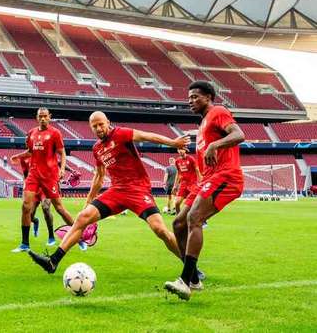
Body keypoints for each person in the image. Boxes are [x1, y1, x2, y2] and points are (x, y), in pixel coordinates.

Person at [28, 111, 190, 274]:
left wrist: (173, 143)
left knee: (160, 230)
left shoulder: (121, 133)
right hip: (117, 192)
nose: (98, 128)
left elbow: (146, 136)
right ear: (91, 128)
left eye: (101, 124)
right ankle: (53, 261)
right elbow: (99, 176)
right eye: (95, 126)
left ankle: (190, 267)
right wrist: (88, 202)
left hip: (138, 191)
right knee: (82, 218)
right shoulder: (97, 148)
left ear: (108, 122)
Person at [165, 81, 245, 300]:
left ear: (209, 97)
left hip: (226, 176)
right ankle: (194, 279)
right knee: (178, 223)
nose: (190, 101)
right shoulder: (202, 125)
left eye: (195, 97)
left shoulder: (218, 112)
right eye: (189, 97)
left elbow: (239, 135)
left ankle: (185, 280)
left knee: (194, 218)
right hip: (209, 179)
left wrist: (214, 145)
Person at [9, 108, 75, 253]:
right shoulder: (31, 133)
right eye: (40, 116)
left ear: (49, 117)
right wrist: (18, 156)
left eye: (45, 116)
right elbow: (30, 152)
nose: (43, 119)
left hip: (49, 176)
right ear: (37, 117)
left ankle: (80, 236)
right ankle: (25, 244)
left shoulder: (55, 133)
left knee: (59, 208)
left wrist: (62, 169)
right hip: (33, 175)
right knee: (26, 206)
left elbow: (62, 153)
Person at [11, 151, 57, 246]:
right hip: (33, 189)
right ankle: (35, 221)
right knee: (29, 215)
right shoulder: (24, 158)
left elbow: (57, 162)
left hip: (45, 186)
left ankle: (51, 236)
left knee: (46, 208)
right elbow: (26, 174)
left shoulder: (43, 152)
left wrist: (69, 170)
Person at [174, 148, 202, 214]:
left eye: (182, 149)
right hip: (183, 184)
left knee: (194, 203)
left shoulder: (191, 159)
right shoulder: (177, 161)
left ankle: (202, 220)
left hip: (192, 183)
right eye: (179, 149)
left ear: (185, 150)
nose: (180, 151)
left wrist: (200, 183)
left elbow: (197, 170)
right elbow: (178, 173)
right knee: (177, 203)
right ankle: (179, 219)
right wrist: (175, 185)